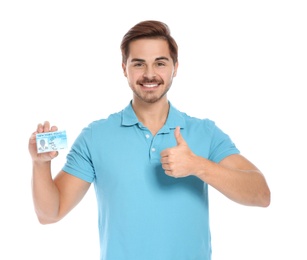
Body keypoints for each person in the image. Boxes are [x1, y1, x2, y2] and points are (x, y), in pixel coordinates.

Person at [29, 20, 271, 260]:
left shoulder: (205, 132)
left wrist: (198, 166)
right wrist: (40, 164)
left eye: (160, 63)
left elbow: (261, 195)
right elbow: (50, 214)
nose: (149, 74)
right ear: (124, 68)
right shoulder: (95, 136)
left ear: (175, 67)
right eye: (138, 64)